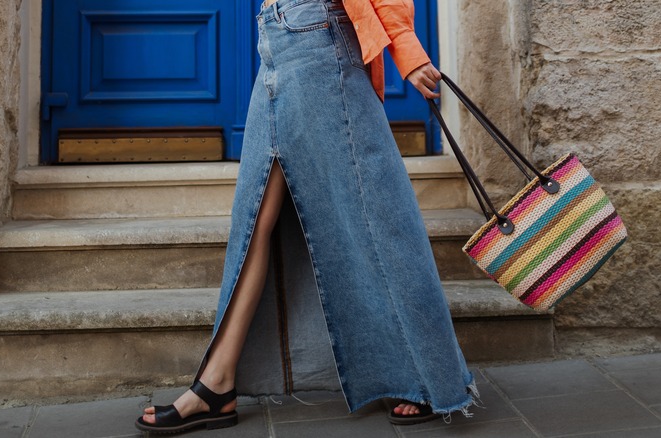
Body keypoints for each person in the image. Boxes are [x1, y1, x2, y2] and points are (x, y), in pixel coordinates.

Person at [135, 0, 478, 434]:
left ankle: (425, 375)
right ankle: (217, 382)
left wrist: (406, 50)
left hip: (321, 39)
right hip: (275, 38)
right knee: (257, 218)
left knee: (374, 218)